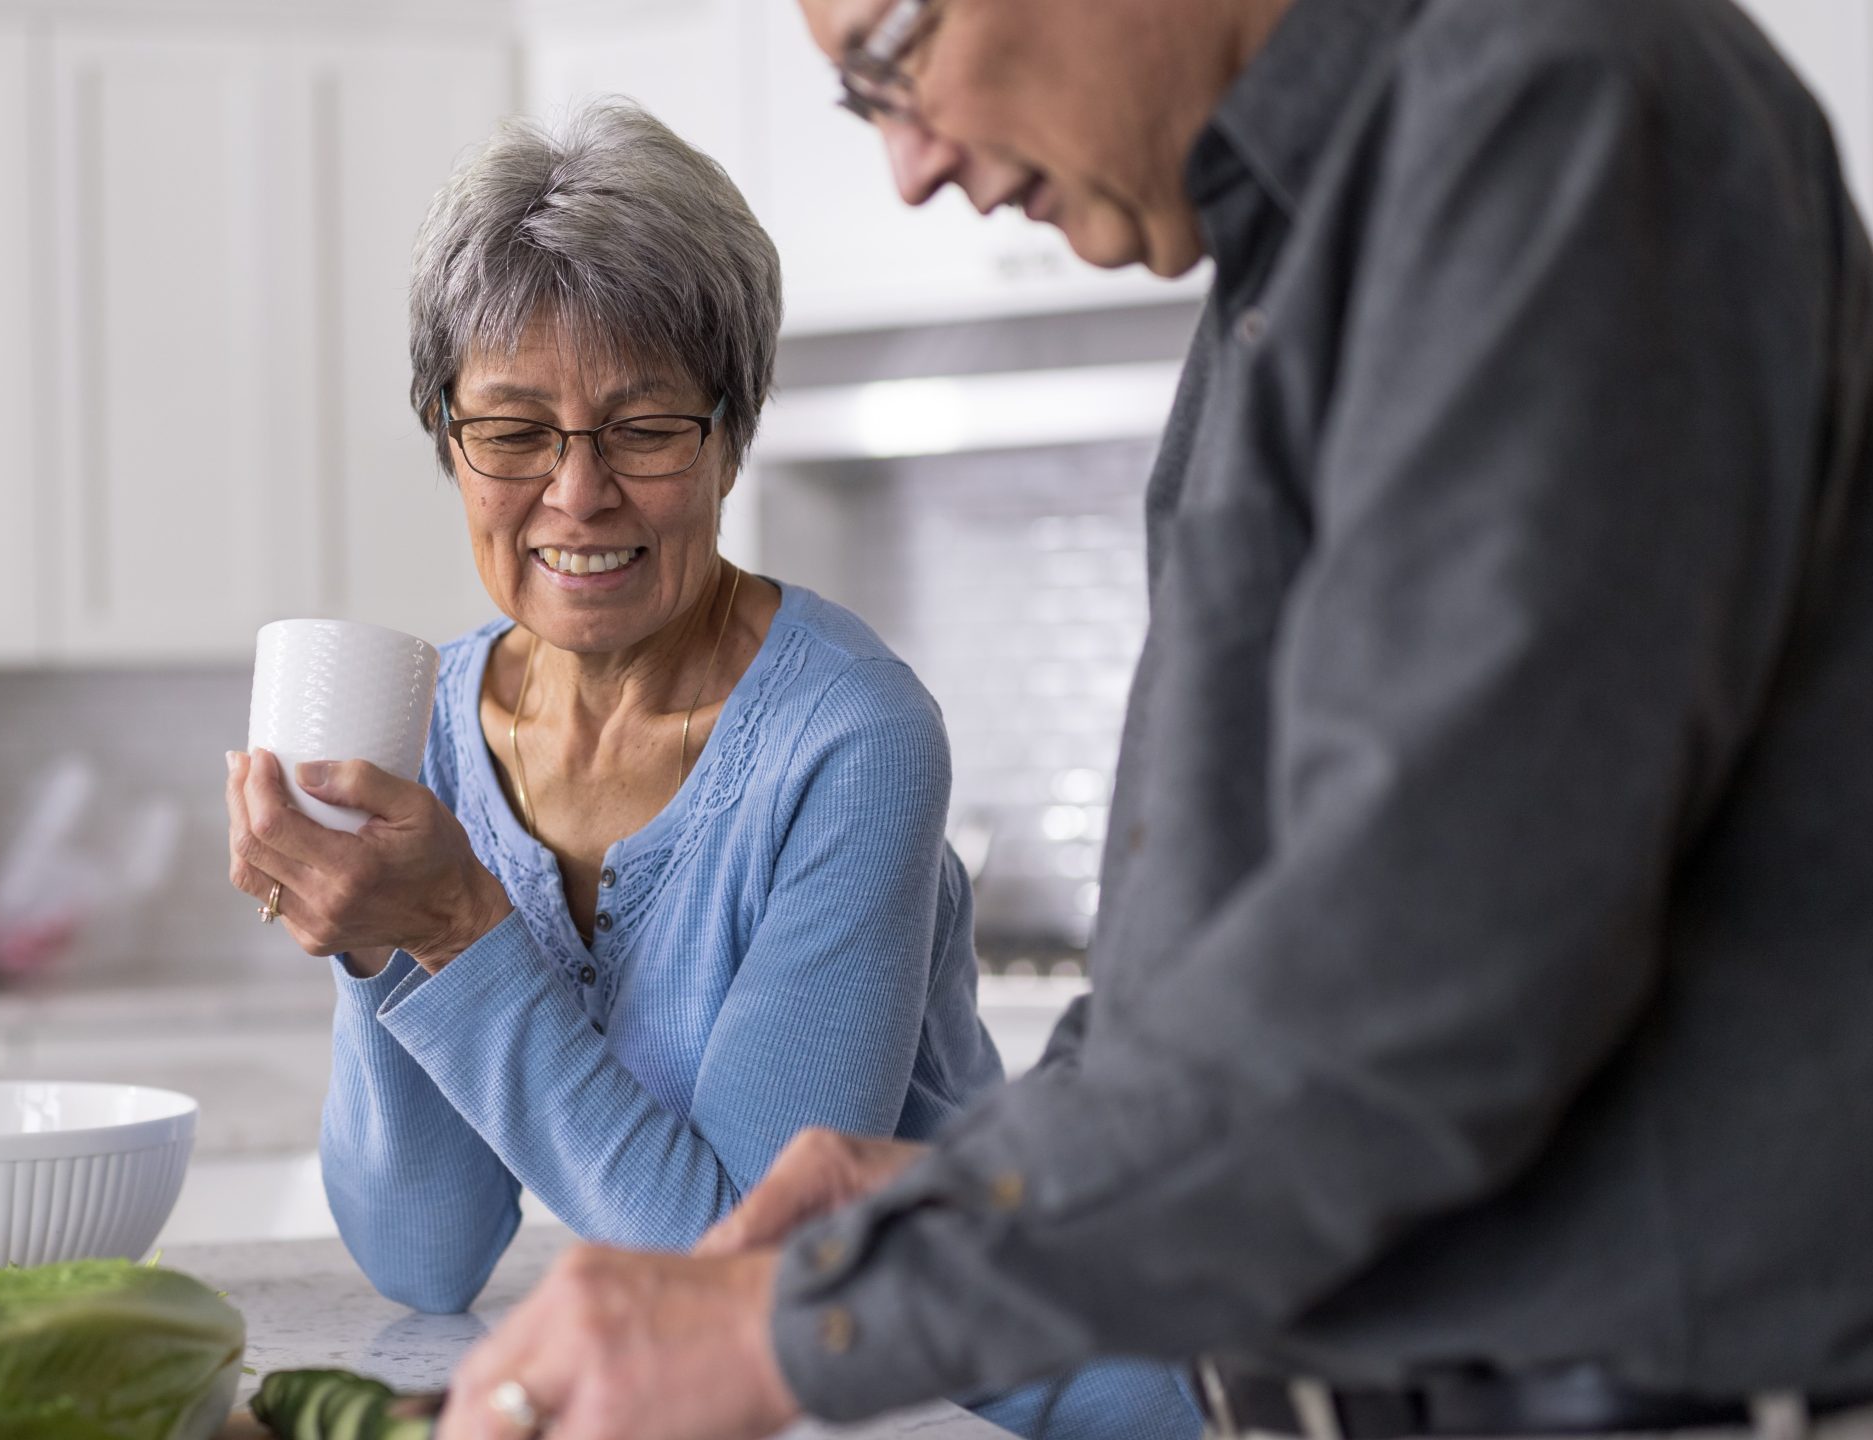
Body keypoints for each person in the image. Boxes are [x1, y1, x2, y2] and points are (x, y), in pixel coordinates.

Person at [428, 2, 1873, 1440]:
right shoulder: (1303, 244)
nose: (913, 166)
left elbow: (1420, 964)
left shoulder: (1557, 108)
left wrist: (816, 1314)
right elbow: (1207, 984)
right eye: (857, 102)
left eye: (894, 56)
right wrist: (946, 1201)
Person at [222, 100, 1201, 1440]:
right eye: (513, 431)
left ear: (732, 436)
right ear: (449, 440)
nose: (577, 496)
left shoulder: (849, 738)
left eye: (642, 429)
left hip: (1017, 1395)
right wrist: (375, 930)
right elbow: (424, 1258)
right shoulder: (432, 722)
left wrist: (454, 924)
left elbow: (747, 1257)